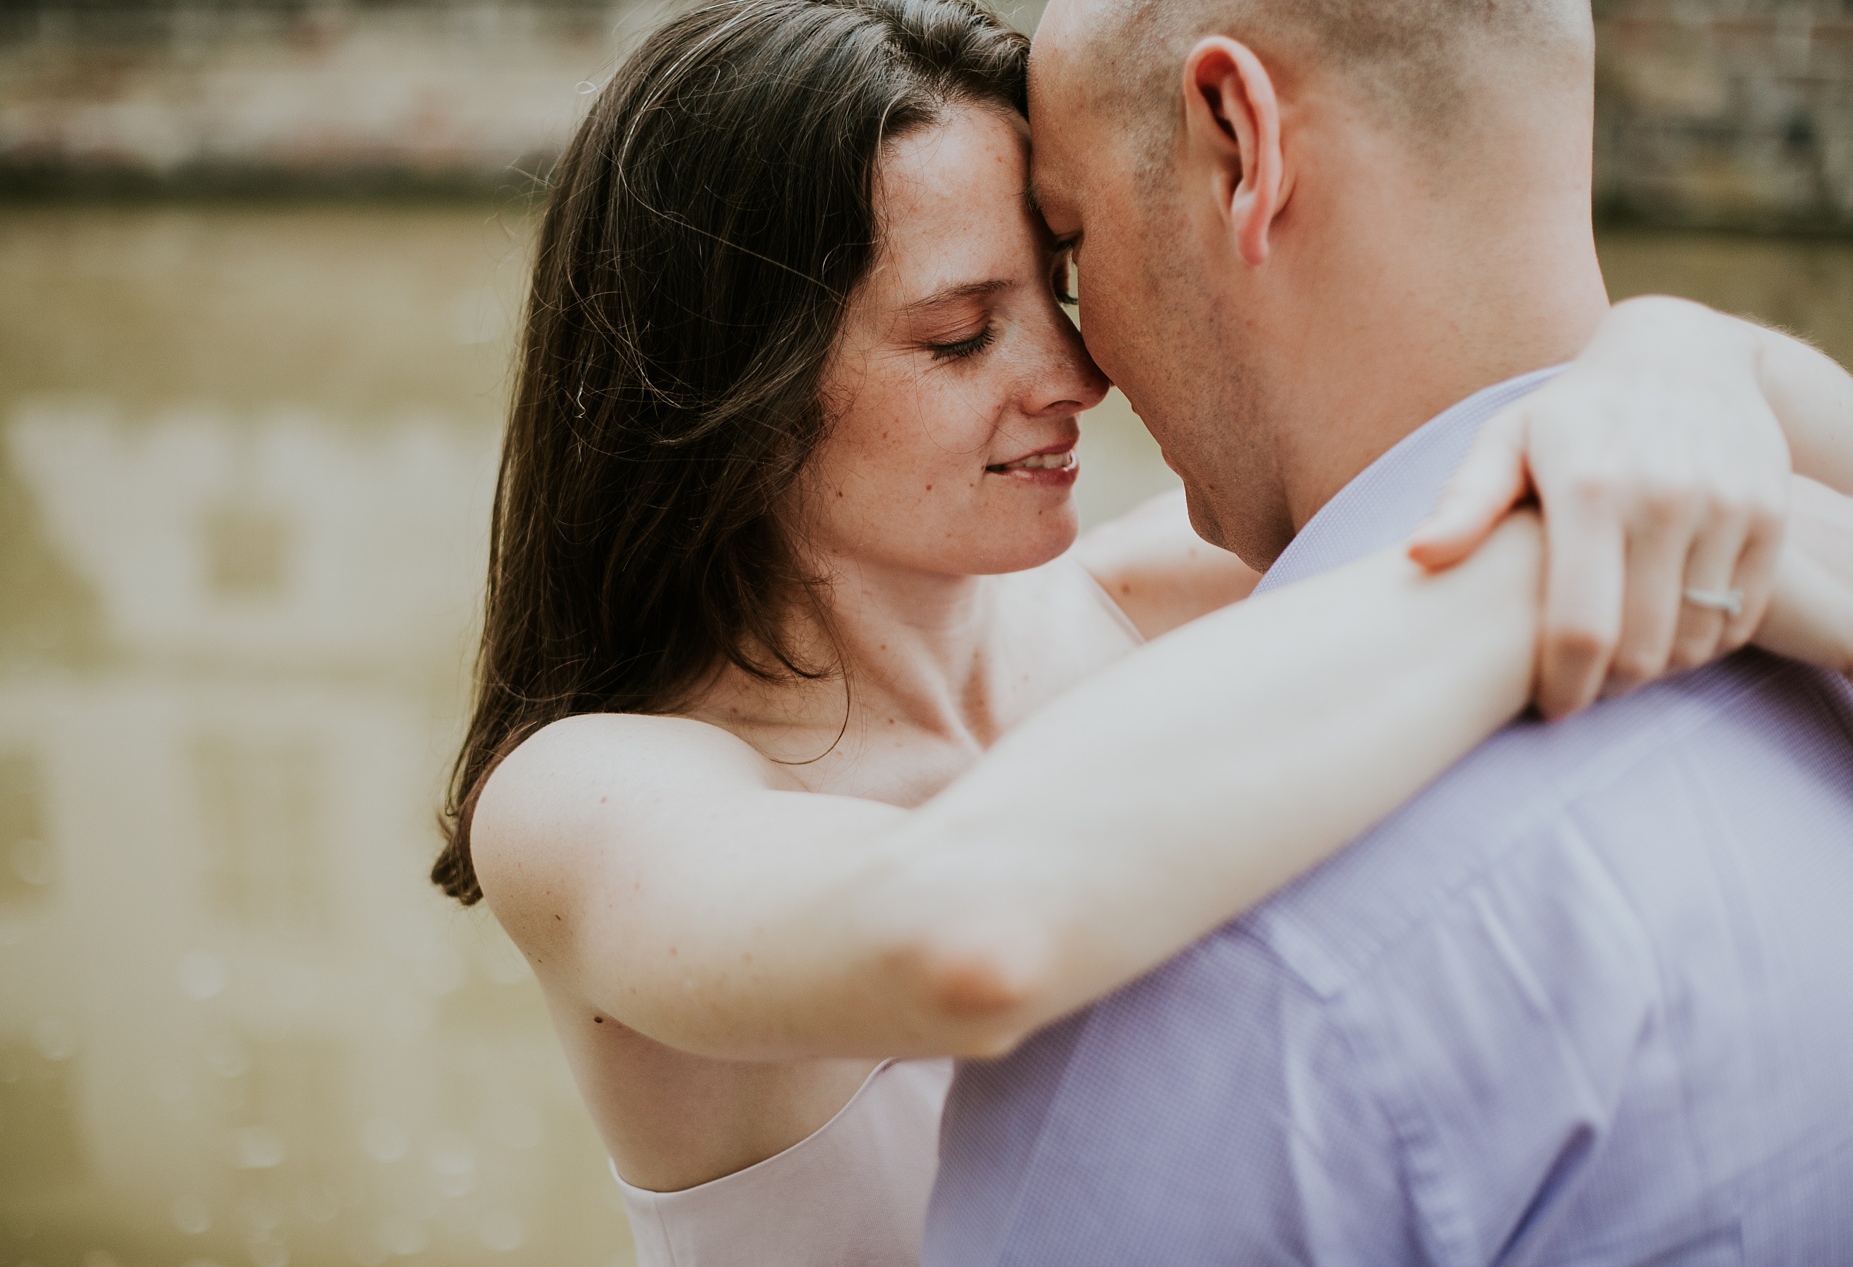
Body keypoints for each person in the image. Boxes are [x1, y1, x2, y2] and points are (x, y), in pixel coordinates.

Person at [425, 2, 1853, 1263]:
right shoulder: (582, 798)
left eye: (1055, 289)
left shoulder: (1157, 592)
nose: (1074, 373)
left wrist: (1688, 358)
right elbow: (956, 929)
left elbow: (1442, 436)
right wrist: (1555, 545)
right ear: (727, 384)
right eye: (958, 334)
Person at [923, 0, 1853, 1262]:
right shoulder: (1822, 610)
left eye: (1075, 249)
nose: (1086, 370)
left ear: (1240, 144)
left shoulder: (1193, 943)